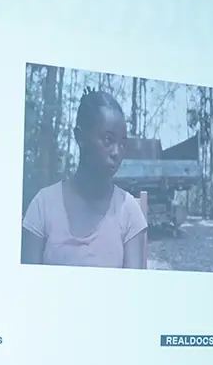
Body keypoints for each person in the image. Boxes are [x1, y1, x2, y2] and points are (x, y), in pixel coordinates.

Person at [21, 89, 148, 268]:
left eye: (122, 144)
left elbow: (133, 284)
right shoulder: (43, 205)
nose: (117, 152)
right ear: (80, 136)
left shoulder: (129, 212)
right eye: (108, 140)